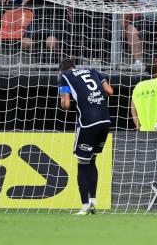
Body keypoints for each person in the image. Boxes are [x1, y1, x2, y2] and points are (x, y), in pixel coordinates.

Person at [58, 58, 114, 215]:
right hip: (105, 120)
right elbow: (110, 91)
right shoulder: (93, 71)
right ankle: (94, 202)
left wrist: (64, 99)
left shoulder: (65, 77)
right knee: (92, 160)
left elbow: (66, 104)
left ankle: (84, 206)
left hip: (88, 122)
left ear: (62, 71)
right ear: (74, 66)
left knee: (82, 163)